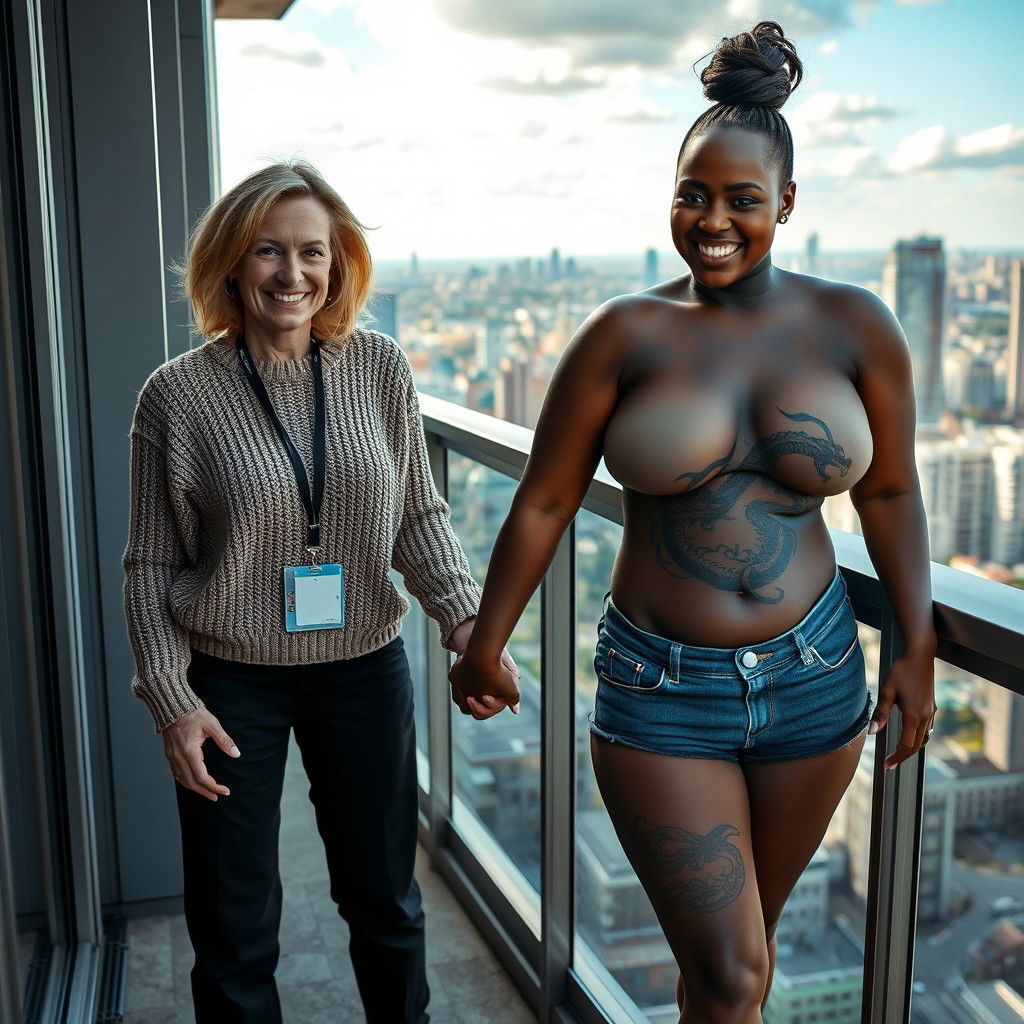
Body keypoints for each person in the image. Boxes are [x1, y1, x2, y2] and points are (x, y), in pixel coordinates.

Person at [450, 22, 937, 1023]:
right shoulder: (621, 336)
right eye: (691, 194)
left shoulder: (856, 328)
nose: (711, 218)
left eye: (741, 199)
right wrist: (486, 640)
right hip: (662, 692)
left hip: (815, 681)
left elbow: (887, 491)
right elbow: (544, 496)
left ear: (786, 204)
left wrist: (916, 643)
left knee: (728, 964)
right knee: (730, 974)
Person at [123, 160, 514, 1024]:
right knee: (234, 930)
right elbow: (150, 564)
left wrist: (466, 621)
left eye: (312, 252)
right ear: (231, 262)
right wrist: (171, 700)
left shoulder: (379, 369)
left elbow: (417, 510)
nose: (291, 274)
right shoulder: (176, 398)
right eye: (268, 251)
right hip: (228, 685)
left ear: (338, 266)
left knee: (385, 905)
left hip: (363, 670)